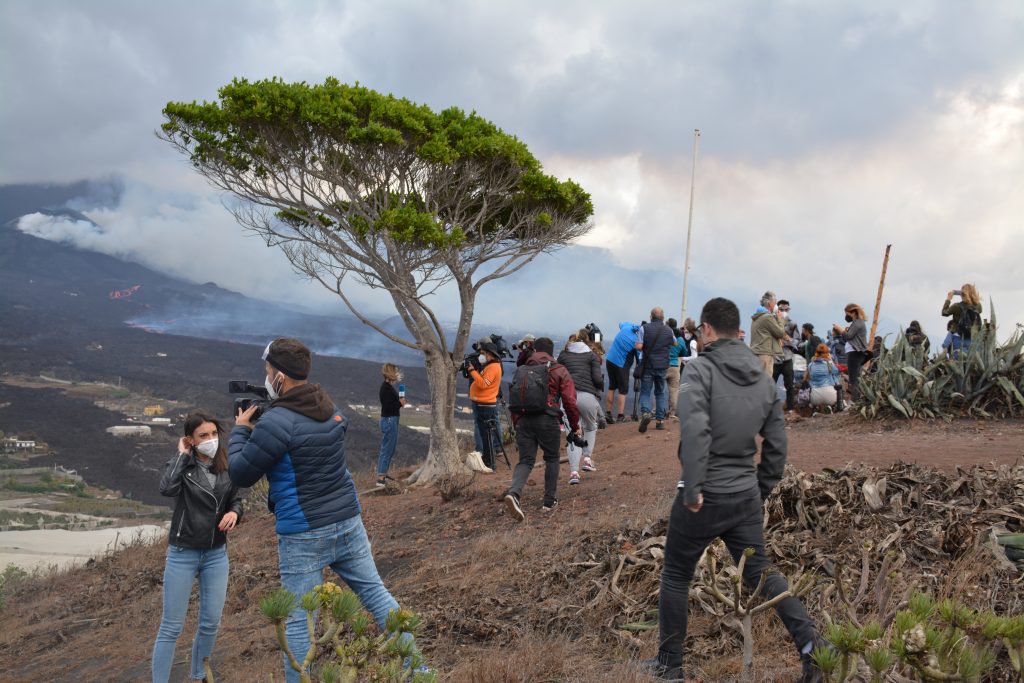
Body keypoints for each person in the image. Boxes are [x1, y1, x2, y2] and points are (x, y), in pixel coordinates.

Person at [641, 297, 822, 682]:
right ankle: (811, 647)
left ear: (706, 330)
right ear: (738, 331)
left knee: (675, 574)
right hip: (744, 497)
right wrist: (760, 489)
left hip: (703, 496)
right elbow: (776, 444)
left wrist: (693, 487)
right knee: (760, 572)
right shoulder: (761, 377)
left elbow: (694, 431)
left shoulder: (700, 371)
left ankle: (670, 666)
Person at [229, 338, 424, 682]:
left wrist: (241, 431)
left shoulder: (277, 422)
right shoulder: (327, 405)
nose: (266, 376)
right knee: (377, 595)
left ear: (280, 377)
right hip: (347, 520)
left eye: (267, 371)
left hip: (304, 532)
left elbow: (241, 473)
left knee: (300, 620)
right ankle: (418, 671)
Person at [153, 411, 243, 683]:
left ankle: (198, 676)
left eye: (214, 434)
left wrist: (235, 514)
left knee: (211, 622)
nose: (211, 440)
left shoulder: (226, 464)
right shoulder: (183, 465)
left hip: (216, 553)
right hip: (183, 553)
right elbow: (167, 488)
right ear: (190, 439)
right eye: (203, 435)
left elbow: (236, 499)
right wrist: (181, 455)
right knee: (171, 626)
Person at [503, 337, 581, 520]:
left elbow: (516, 397)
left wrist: (517, 424)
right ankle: (548, 501)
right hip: (547, 419)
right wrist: (575, 426)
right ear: (551, 352)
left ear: (534, 350)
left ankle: (514, 493)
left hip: (523, 420)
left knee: (526, 460)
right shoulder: (558, 369)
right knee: (552, 458)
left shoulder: (522, 369)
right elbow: (570, 401)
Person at [558, 329, 604, 484]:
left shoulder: (563, 355)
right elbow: (597, 379)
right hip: (587, 396)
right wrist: (600, 387)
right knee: (591, 427)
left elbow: (557, 376)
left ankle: (574, 473)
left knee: (573, 433)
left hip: (568, 397)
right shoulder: (592, 355)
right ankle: (587, 459)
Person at [635, 307, 674, 433]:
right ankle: (660, 421)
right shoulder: (669, 330)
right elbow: (674, 343)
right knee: (660, 392)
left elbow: (639, 346)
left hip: (648, 365)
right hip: (662, 366)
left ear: (651, 316)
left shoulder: (644, 328)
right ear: (663, 317)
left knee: (646, 391)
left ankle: (646, 413)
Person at [467, 339, 503, 471]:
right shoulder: (490, 366)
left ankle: (489, 463)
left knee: (486, 436)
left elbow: (483, 384)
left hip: (485, 405)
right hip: (482, 403)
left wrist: (472, 371)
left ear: (489, 354)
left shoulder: (493, 367)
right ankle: (488, 461)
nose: (481, 356)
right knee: (485, 435)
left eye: (483, 353)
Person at [376, 363, 407, 487]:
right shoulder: (386, 388)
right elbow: (388, 407)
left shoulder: (387, 387)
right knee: (387, 449)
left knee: (389, 448)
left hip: (390, 420)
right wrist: (400, 403)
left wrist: (399, 403)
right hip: (389, 420)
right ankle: (381, 478)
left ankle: (383, 474)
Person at [832, 303, 868, 402]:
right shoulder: (858, 323)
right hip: (856, 352)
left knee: (853, 379)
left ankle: (855, 401)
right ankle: (858, 400)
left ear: (852, 312)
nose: (846, 316)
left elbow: (848, 337)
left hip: (855, 352)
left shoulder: (857, 323)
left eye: (847, 313)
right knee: (855, 377)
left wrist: (841, 330)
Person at [605, 322, 639, 424]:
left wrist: (634, 326)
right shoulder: (637, 340)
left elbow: (621, 323)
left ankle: (608, 413)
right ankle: (620, 415)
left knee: (611, 387)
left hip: (610, 360)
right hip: (621, 365)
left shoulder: (626, 327)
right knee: (623, 390)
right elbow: (639, 358)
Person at [750, 291, 787, 376]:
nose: (776, 306)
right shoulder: (767, 317)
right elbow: (780, 333)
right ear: (770, 304)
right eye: (775, 303)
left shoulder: (757, 316)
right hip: (765, 355)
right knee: (766, 382)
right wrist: (780, 319)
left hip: (756, 352)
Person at [773, 299, 799, 411]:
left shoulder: (792, 324)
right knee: (770, 385)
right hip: (774, 358)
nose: (783, 311)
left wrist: (787, 341)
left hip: (787, 357)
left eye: (786, 309)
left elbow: (797, 340)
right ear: (777, 309)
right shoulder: (771, 322)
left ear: (788, 310)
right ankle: (770, 409)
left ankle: (790, 409)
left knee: (789, 385)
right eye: (781, 309)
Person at [941, 284, 983, 352]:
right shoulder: (978, 307)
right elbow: (979, 308)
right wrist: (974, 296)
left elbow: (944, 313)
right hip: (973, 338)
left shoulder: (956, 306)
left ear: (962, 294)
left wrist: (948, 299)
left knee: (958, 360)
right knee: (971, 361)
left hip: (958, 337)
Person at [803, 343, 843, 412]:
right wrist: (831, 361)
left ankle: (816, 408)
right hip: (830, 396)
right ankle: (835, 406)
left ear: (816, 352)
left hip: (814, 397)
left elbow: (807, 378)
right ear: (827, 353)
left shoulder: (811, 365)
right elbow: (836, 372)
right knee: (835, 377)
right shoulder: (829, 364)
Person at [665, 318, 690, 420]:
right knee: (674, 390)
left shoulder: (665, 336)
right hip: (675, 367)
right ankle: (672, 413)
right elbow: (684, 352)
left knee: (659, 390)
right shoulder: (680, 339)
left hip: (663, 365)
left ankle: (657, 411)